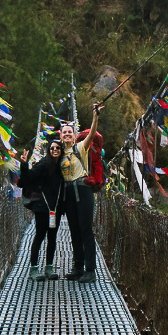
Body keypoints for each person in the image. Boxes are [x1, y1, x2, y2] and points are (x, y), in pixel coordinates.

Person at [60, 104, 104, 283]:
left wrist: (95, 117)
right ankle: (78, 267)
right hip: (68, 193)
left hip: (83, 191)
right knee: (74, 231)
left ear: (74, 134)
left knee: (86, 229)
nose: (67, 134)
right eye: (64, 132)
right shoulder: (58, 153)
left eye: (70, 132)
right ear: (61, 136)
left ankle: (91, 270)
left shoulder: (81, 147)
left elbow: (92, 134)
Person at [19, 139, 64, 281]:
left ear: (61, 150)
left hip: (56, 208)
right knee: (39, 235)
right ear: (48, 151)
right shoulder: (44, 164)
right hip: (42, 206)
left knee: (52, 237)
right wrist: (24, 164)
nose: (55, 150)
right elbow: (28, 177)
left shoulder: (64, 166)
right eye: (52, 148)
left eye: (58, 148)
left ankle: (49, 268)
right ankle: (33, 269)